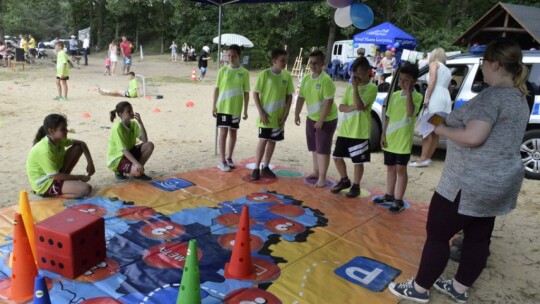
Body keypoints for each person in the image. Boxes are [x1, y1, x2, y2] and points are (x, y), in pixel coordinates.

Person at [388, 39, 530, 304]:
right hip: (498, 183)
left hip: (468, 183)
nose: (482, 69)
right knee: (478, 237)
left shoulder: (493, 96)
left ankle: (419, 289)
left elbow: (473, 136)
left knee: (439, 234)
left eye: (484, 63)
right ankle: (459, 287)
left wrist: (438, 129)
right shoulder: (520, 96)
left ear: (495, 64)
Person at [373, 63, 423, 213]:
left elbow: (410, 112)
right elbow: (387, 117)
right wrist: (383, 134)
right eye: (401, 79)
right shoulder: (394, 96)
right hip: (390, 139)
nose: (402, 83)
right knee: (390, 168)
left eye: (406, 80)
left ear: (414, 81)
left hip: (403, 140)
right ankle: (389, 195)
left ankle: (399, 199)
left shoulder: (417, 96)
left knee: (401, 169)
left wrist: (408, 93)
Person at [330, 57, 377, 198]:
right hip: (345, 129)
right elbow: (342, 107)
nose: (356, 77)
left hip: (359, 132)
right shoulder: (350, 87)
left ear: (368, 72)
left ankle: (356, 186)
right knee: (337, 157)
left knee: (358, 161)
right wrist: (352, 107)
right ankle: (344, 180)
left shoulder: (372, 88)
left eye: (359, 73)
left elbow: (361, 105)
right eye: (354, 74)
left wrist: (356, 89)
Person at [294, 50, 337, 188]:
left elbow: (329, 102)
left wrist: (321, 120)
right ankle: (316, 171)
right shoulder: (306, 78)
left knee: (322, 149)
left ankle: (323, 177)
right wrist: (296, 113)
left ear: (323, 65)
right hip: (311, 118)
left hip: (327, 119)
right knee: (314, 147)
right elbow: (300, 97)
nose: (313, 65)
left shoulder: (326, 80)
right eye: (311, 63)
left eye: (316, 63)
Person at [26, 114, 95, 198]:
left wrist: (90, 163)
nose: (67, 131)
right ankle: (50, 194)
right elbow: (55, 176)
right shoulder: (45, 150)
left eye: (66, 128)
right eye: (63, 129)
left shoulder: (59, 140)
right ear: (51, 131)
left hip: (56, 174)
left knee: (77, 148)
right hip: (45, 184)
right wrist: (80, 177)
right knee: (85, 189)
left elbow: (81, 143)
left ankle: (64, 183)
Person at [252, 48, 294, 180]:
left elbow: (289, 96)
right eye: (282, 60)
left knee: (272, 141)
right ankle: (256, 168)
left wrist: (286, 113)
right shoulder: (265, 74)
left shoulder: (287, 76)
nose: (284, 63)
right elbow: (255, 93)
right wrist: (261, 112)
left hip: (279, 118)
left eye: (285, 61)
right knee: (263, 140)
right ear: (274, 61)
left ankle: (266, 167)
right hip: (266, 117)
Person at [410, 48, 452, 168]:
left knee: (427, 131)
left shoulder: (434, 64)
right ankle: (428, 158)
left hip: (435, 100)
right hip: (444, 102)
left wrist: (427, 97)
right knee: (434, 131)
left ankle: (422, 159)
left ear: (433, 56)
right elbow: (450, 88)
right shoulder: (447, 70)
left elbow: (432, 81)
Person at [212, 45, 250, 172]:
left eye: (234, 56)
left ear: (239, 56)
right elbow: (216, 88)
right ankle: (222, 161)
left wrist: (245, 110)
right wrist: (214, 105)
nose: (231, 58)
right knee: (223, 132)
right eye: (229, 56)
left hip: (236, 108)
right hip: (223, 107)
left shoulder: (244, 73)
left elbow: (246, 92)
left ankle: (229, 157)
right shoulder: (222, 71)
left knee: (233, 132)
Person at [107, 101, 154, 180]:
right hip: (117, 159)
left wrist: (141, 123)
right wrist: (136, 163)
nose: (132, 112)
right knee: (137, 170)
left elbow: (145, 140)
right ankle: (120, 171)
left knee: (149, 145)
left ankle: (138, 171)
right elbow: (123, 150)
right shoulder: (118, 128)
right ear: (120, 114)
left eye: (132, 110)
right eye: (129, 111)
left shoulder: (133, 124)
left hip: (128, 153)